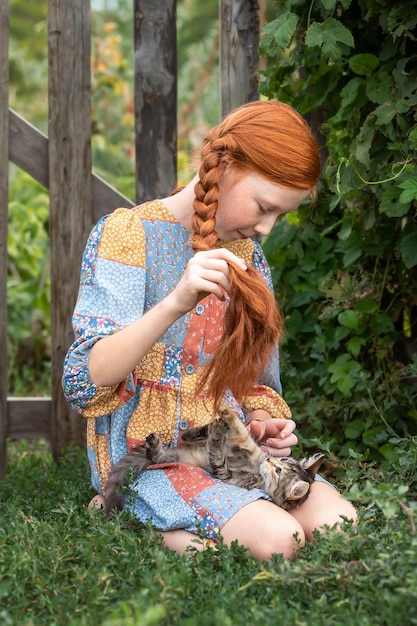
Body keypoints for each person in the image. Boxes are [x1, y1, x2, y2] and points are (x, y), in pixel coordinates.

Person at [62, 100, 357, 560]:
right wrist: (175, 302)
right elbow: (88, 379)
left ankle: (206, 528)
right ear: (227, 164)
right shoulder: (127, 234)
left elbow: (255, 379)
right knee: (280, 541)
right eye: (264, 207)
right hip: (151, 455)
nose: (266, 229)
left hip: (228, 446)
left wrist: (262, 423)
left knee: (338, 524)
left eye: (280, 216)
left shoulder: (248, 257)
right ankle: (119, 508)